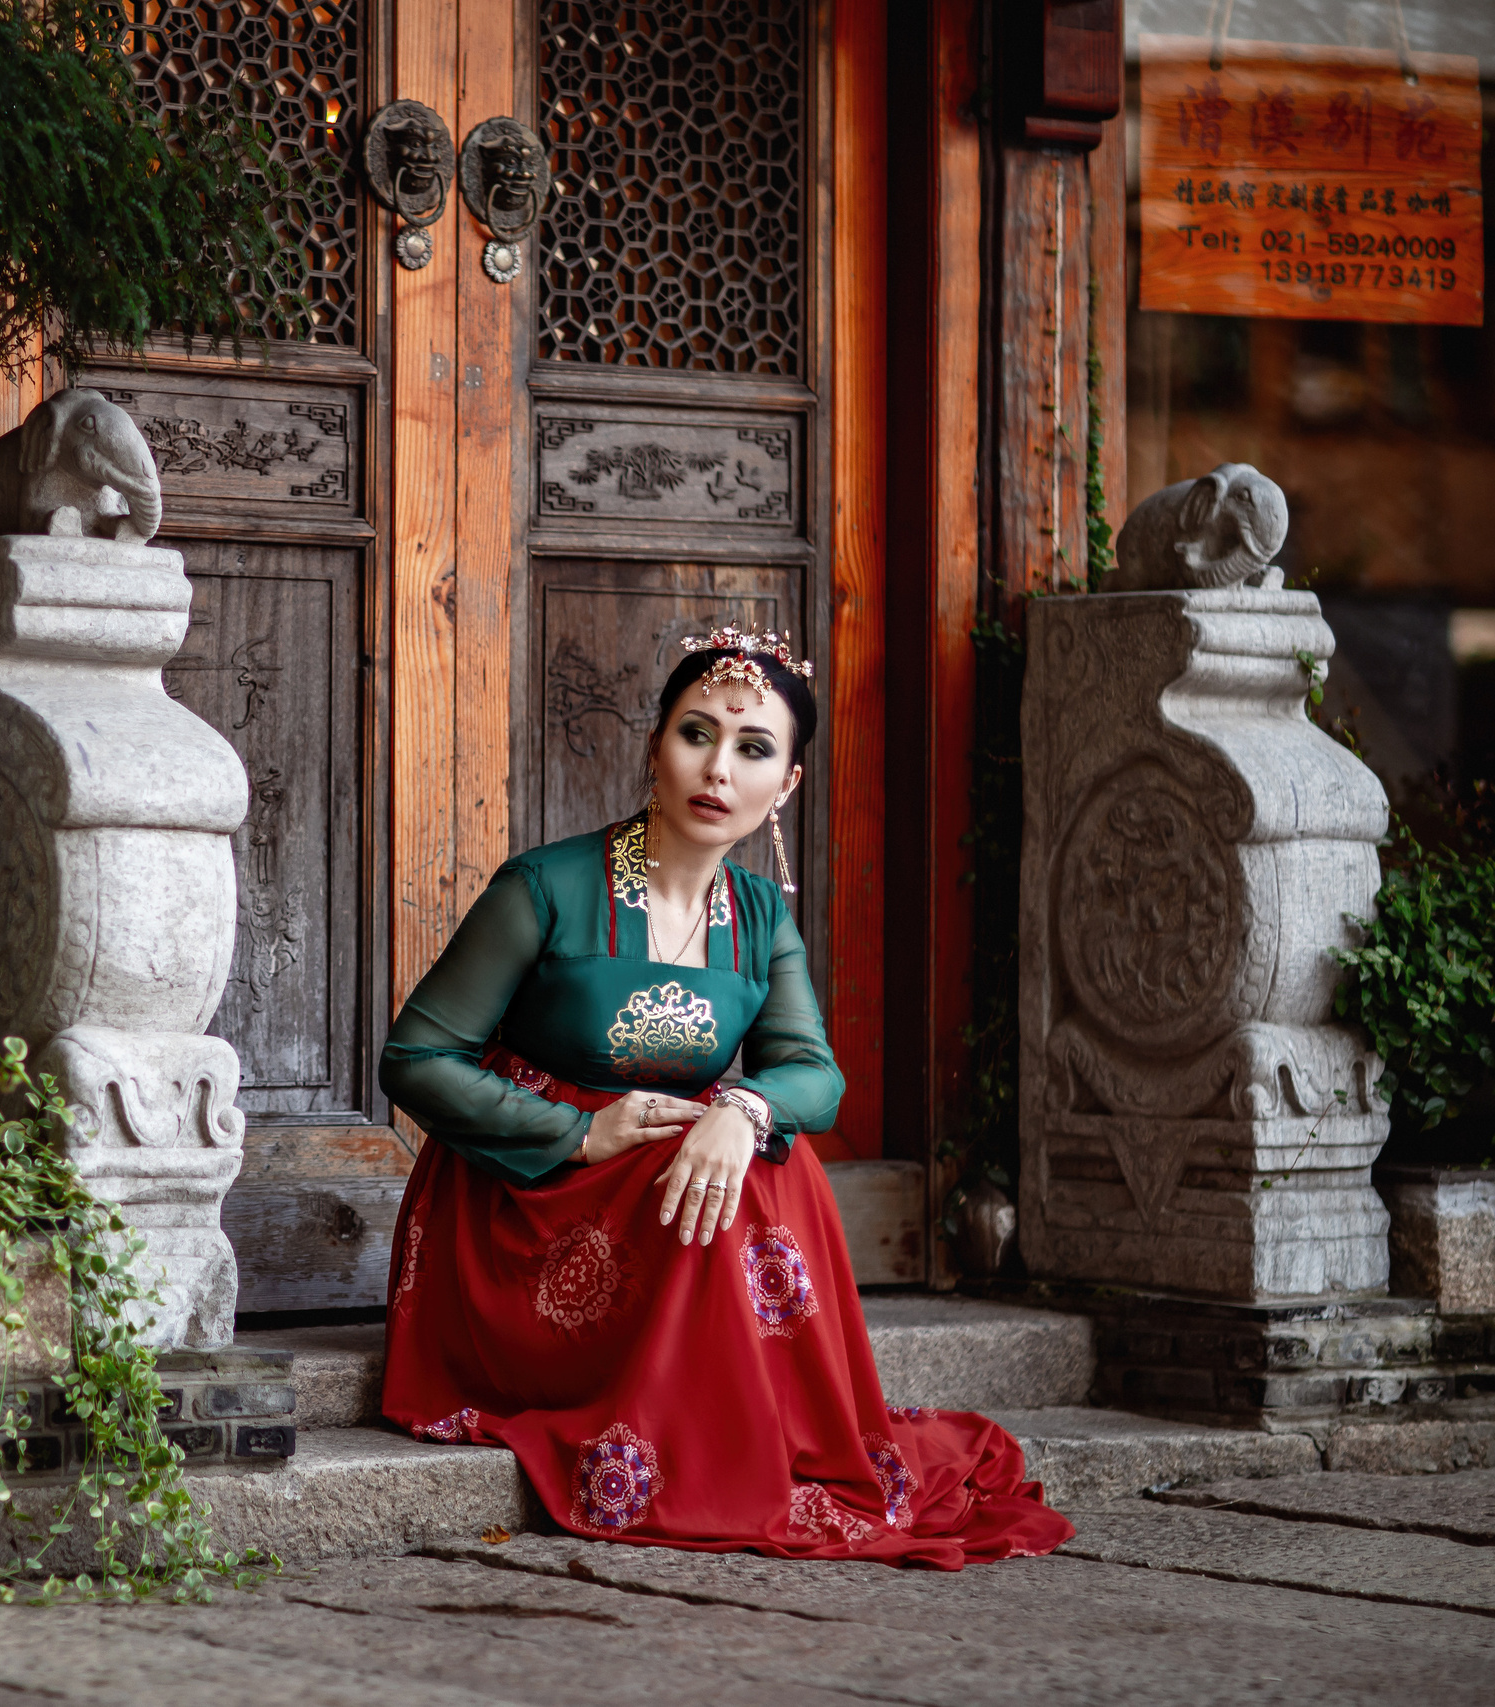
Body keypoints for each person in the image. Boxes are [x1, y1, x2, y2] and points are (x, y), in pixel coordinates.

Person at [378, 625, 1072, 1567]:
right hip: (526, 1198)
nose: (718, 768)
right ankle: (685, 1442)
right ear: (654, 745)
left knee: (774, 1158)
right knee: (709, 1161)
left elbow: (812, 1074)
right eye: (696, 733)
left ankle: (745, 1431)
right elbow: (416, 1059)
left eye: (753, 749)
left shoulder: (760, 915)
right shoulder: (542, 886)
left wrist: (743, 1111)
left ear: (785, 784)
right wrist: (581, 1131)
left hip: (662, 1190)